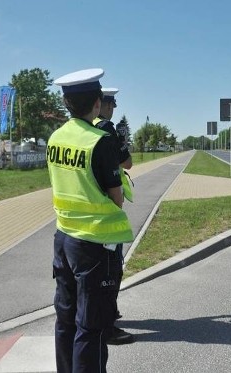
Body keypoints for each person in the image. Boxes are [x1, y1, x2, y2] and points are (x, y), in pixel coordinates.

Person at [47, 68, 134, 373]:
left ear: (66, 103)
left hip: (63, 238)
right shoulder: (100, 141)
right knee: (92, 327)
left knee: (66, 319)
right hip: (95, 244)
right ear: (97, 104)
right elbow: (117, 196)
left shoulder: (56, 138)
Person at [92, 87, 135, 345]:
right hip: (107, 210)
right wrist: (123, 144)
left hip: (82, 215)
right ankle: (107, 324)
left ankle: (99, 316)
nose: (114, 109)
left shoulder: (82, 128)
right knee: (111, 270)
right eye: (113, 104)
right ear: (104, 104)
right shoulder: (107, 129)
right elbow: (126, 163)